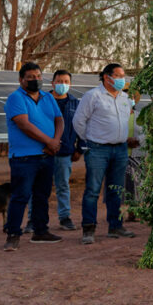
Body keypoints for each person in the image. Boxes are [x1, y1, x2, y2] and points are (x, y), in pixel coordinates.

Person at [74, 63, 138, 245]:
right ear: (106, 77)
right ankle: (88, 228)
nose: (121, 79)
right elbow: (78, 120)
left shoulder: (125, 98)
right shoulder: (93, 96)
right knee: (92, 190)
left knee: (116, 190)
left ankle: (115, 226)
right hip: (98, 149)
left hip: (120, 149)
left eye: (122, 76)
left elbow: (126, 121)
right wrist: (90, 139)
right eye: (118, 76)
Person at [4, 62, 64, 250]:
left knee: (42, 195)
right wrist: (50, 142)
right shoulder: (16, 98)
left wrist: (55, 141)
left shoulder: (48, 97)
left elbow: (59, 119)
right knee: (20, 196)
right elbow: (24, 124)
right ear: (21, 79)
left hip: (47, 155)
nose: (35, 80)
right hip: (24, 157)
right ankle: (13, 234)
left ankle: (40, 231)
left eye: (38, 76)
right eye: (30, 77)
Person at [50, 70, 83, 231]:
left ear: (70, 84)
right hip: (44, 152)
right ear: (52, 83)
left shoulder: (75, 104)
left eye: (65, 81)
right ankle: (33, 219)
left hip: (65, 153)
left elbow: (81, 126)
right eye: (59, 81)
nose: (62, 84)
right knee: (39, 187)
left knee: (63, 185)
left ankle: (65, 217)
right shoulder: (43, 100)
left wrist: (80, 148)